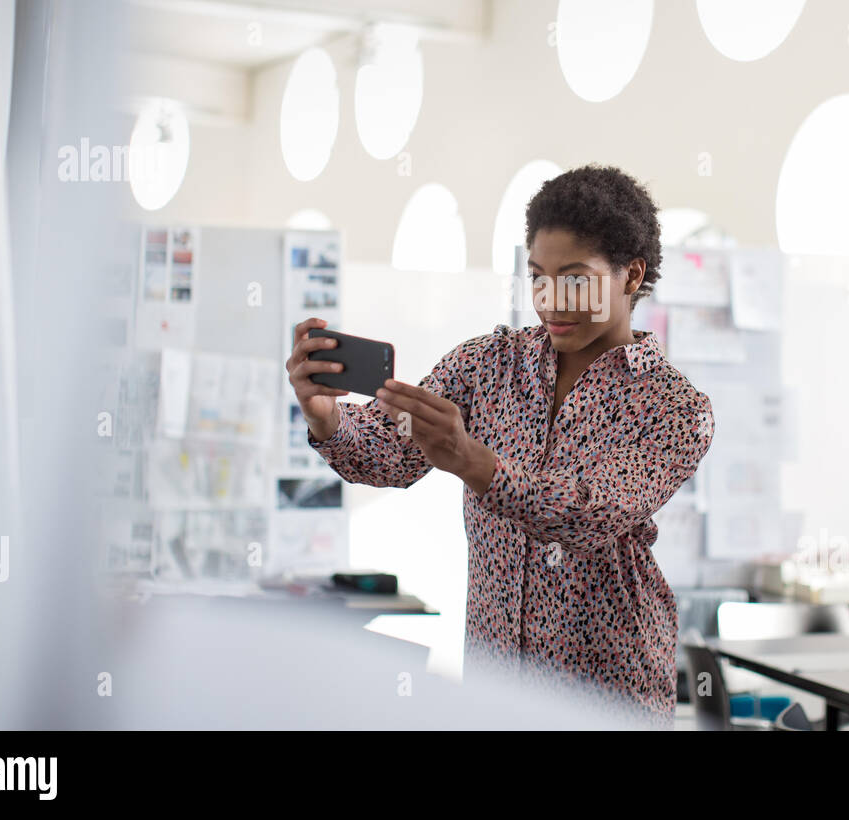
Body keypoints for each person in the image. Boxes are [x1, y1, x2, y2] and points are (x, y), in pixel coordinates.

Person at [285, 164, 714, 727]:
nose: (549, 298)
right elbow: (391, 455)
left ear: (631, 276)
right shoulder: (486, 365)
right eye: (537, 274)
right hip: (494, 692)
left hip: (610, 692)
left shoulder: (674, 406)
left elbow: (589, 515)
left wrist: (473, 462)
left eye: (575, 277)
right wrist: (326, 417)